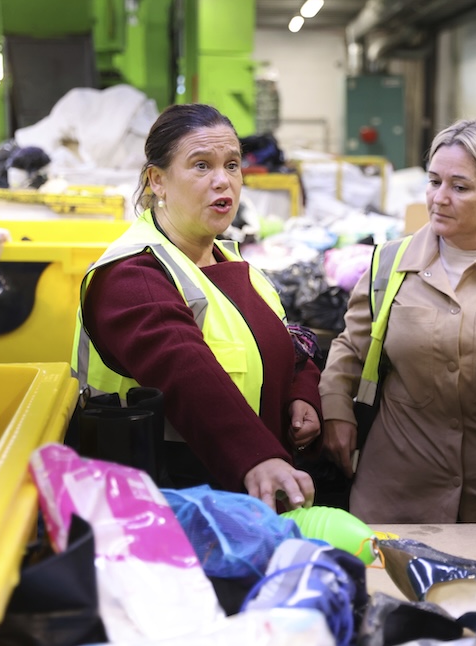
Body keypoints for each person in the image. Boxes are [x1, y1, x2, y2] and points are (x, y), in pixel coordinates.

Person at [71, 103, 321, 511]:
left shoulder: (234, 264)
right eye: (201, 166)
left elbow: (285, 342)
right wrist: (257, 456)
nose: (223, 181)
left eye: (233, 165)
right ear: (158, 181)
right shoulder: (132, 277)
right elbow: (185, 369)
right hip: (168, 507)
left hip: (240, 501)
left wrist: (302, 393)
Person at [319, 119, 476, 523]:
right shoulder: (390, 264)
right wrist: (335, 410)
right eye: (433, 181)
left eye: (459, 187)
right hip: (395, 493)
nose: (439, 198)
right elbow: (352, 346)